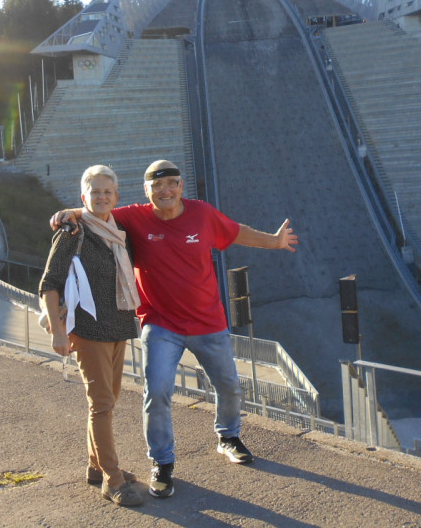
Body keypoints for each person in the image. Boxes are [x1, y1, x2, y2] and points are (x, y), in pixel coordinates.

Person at [50, 159, 298, 499]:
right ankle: (162, 462)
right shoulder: (133, 217)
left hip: (208, 322)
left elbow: (235, 231)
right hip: (160, 322)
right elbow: (97, 211)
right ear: (147, 191)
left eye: (171, 184)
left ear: (181, 186)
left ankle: (228, 437)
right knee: (157, 391)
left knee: (228, 385)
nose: (165, 191)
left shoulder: (202, 214)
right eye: (157, 185)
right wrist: (72, 213)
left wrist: (273, 241)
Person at [39, 165, 144, 508]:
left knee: (107, 402)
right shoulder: (72, 231)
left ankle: (96, 468)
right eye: (94, 191)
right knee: (101, 404)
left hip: (118, 326)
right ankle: (112, 480)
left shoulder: (118, 230)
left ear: (116, 197)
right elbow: (49, 284)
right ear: (83, 197)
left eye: (107, 191)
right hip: (88, 329)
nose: (101, 197)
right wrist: (58, 332)